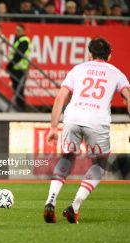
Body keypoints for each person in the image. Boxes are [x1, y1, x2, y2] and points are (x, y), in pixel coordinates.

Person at [43, 37, 130, 224]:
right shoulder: (116, 73)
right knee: (100, 163)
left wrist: (53, 127)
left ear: (90, 54)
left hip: (72, 117)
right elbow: (128, 98)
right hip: (97, 120)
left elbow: (60, 98)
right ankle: (74, 206)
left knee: (66, 157)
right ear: (110, 55)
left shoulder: (77, 69)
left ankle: (50, 200)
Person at [6, 23, 31, 111]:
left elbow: (18, 55)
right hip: (16, 69)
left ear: (23, 31)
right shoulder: (18, 40)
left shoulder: (24, 40)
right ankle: (20, 109)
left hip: (20, 69)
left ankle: (21, 110)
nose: (16, 32)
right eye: (16, 30)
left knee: (19, 91)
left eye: (19, 31)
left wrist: (9, 65)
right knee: (17, 90)